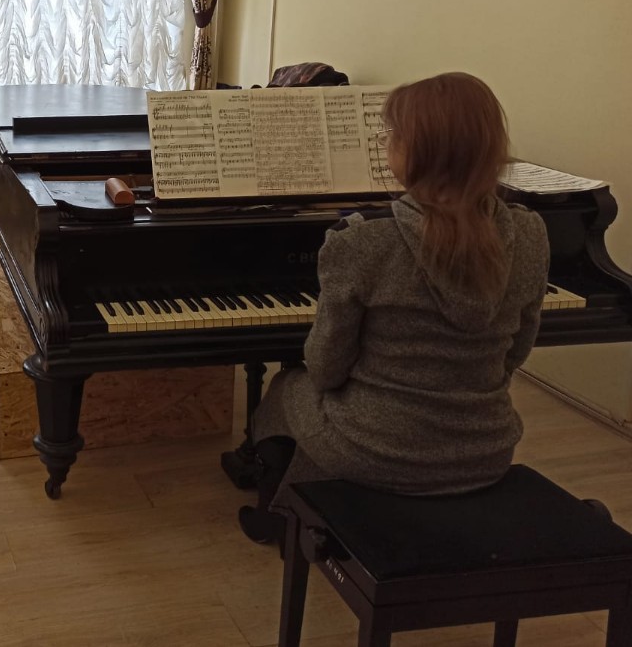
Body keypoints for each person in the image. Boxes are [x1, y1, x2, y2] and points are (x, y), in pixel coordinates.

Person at [225, 71, 550, 545]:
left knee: (286, 387)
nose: (385, 143)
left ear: (416, 151)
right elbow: (516, 351)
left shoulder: (363, 240)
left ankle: (282, 515)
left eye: (390, 134)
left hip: (378, 452)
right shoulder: (531, 233)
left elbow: (326, 367)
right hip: (486, 449)